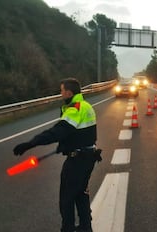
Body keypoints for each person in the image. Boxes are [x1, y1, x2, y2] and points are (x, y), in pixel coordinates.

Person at [13, 78, 102, 232]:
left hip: (77, 161)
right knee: (81, 194)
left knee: (66, 199)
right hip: (88, 157)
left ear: (68, 92)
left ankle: (67, 229)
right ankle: (85, 227)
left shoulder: (75, 108)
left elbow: (57, 132)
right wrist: (66, 145)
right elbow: (79, 133)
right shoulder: (86, 105)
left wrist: (30, 144)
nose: (60, 94)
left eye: (61, 90)